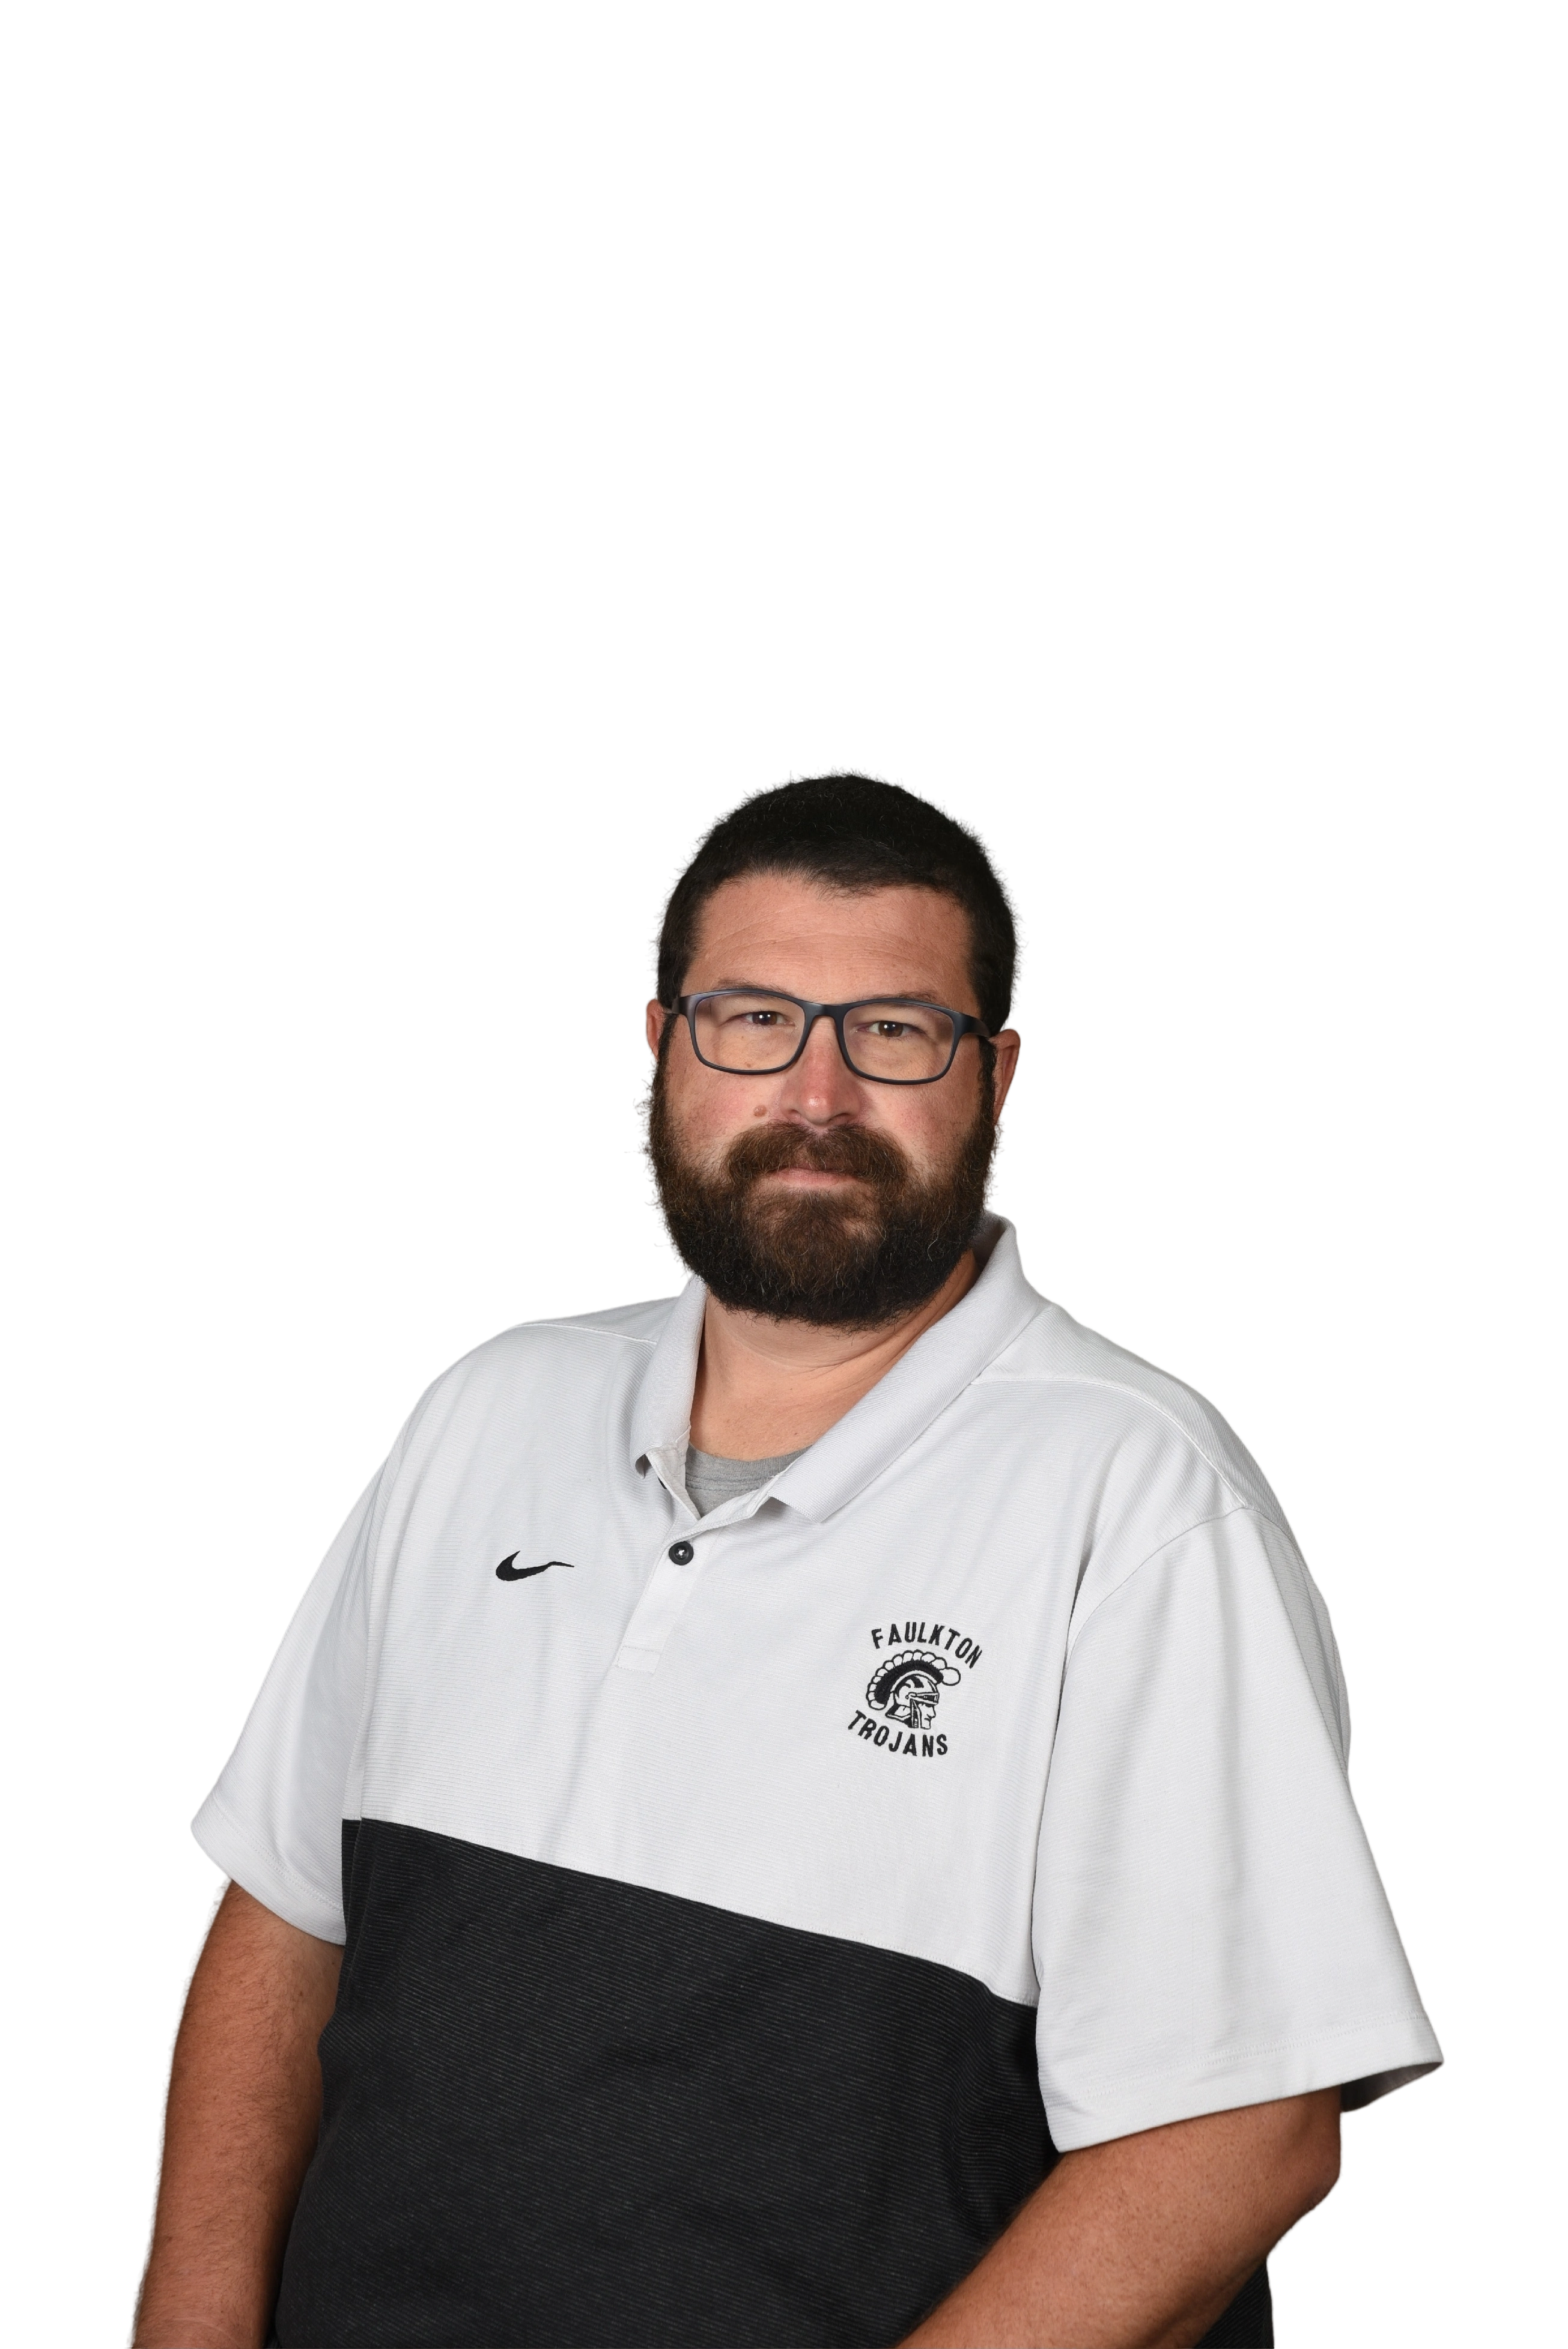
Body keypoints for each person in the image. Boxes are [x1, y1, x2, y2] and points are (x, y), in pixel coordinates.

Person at [128, 765, 1443, 2349]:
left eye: (895, 1030)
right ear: (663, 1044)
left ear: (1000, 1075)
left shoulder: (1141, 1500)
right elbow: (287, 1914)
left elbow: (1242, 2132)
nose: (817, 1094)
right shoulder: (489, 1409)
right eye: (752, 1019)